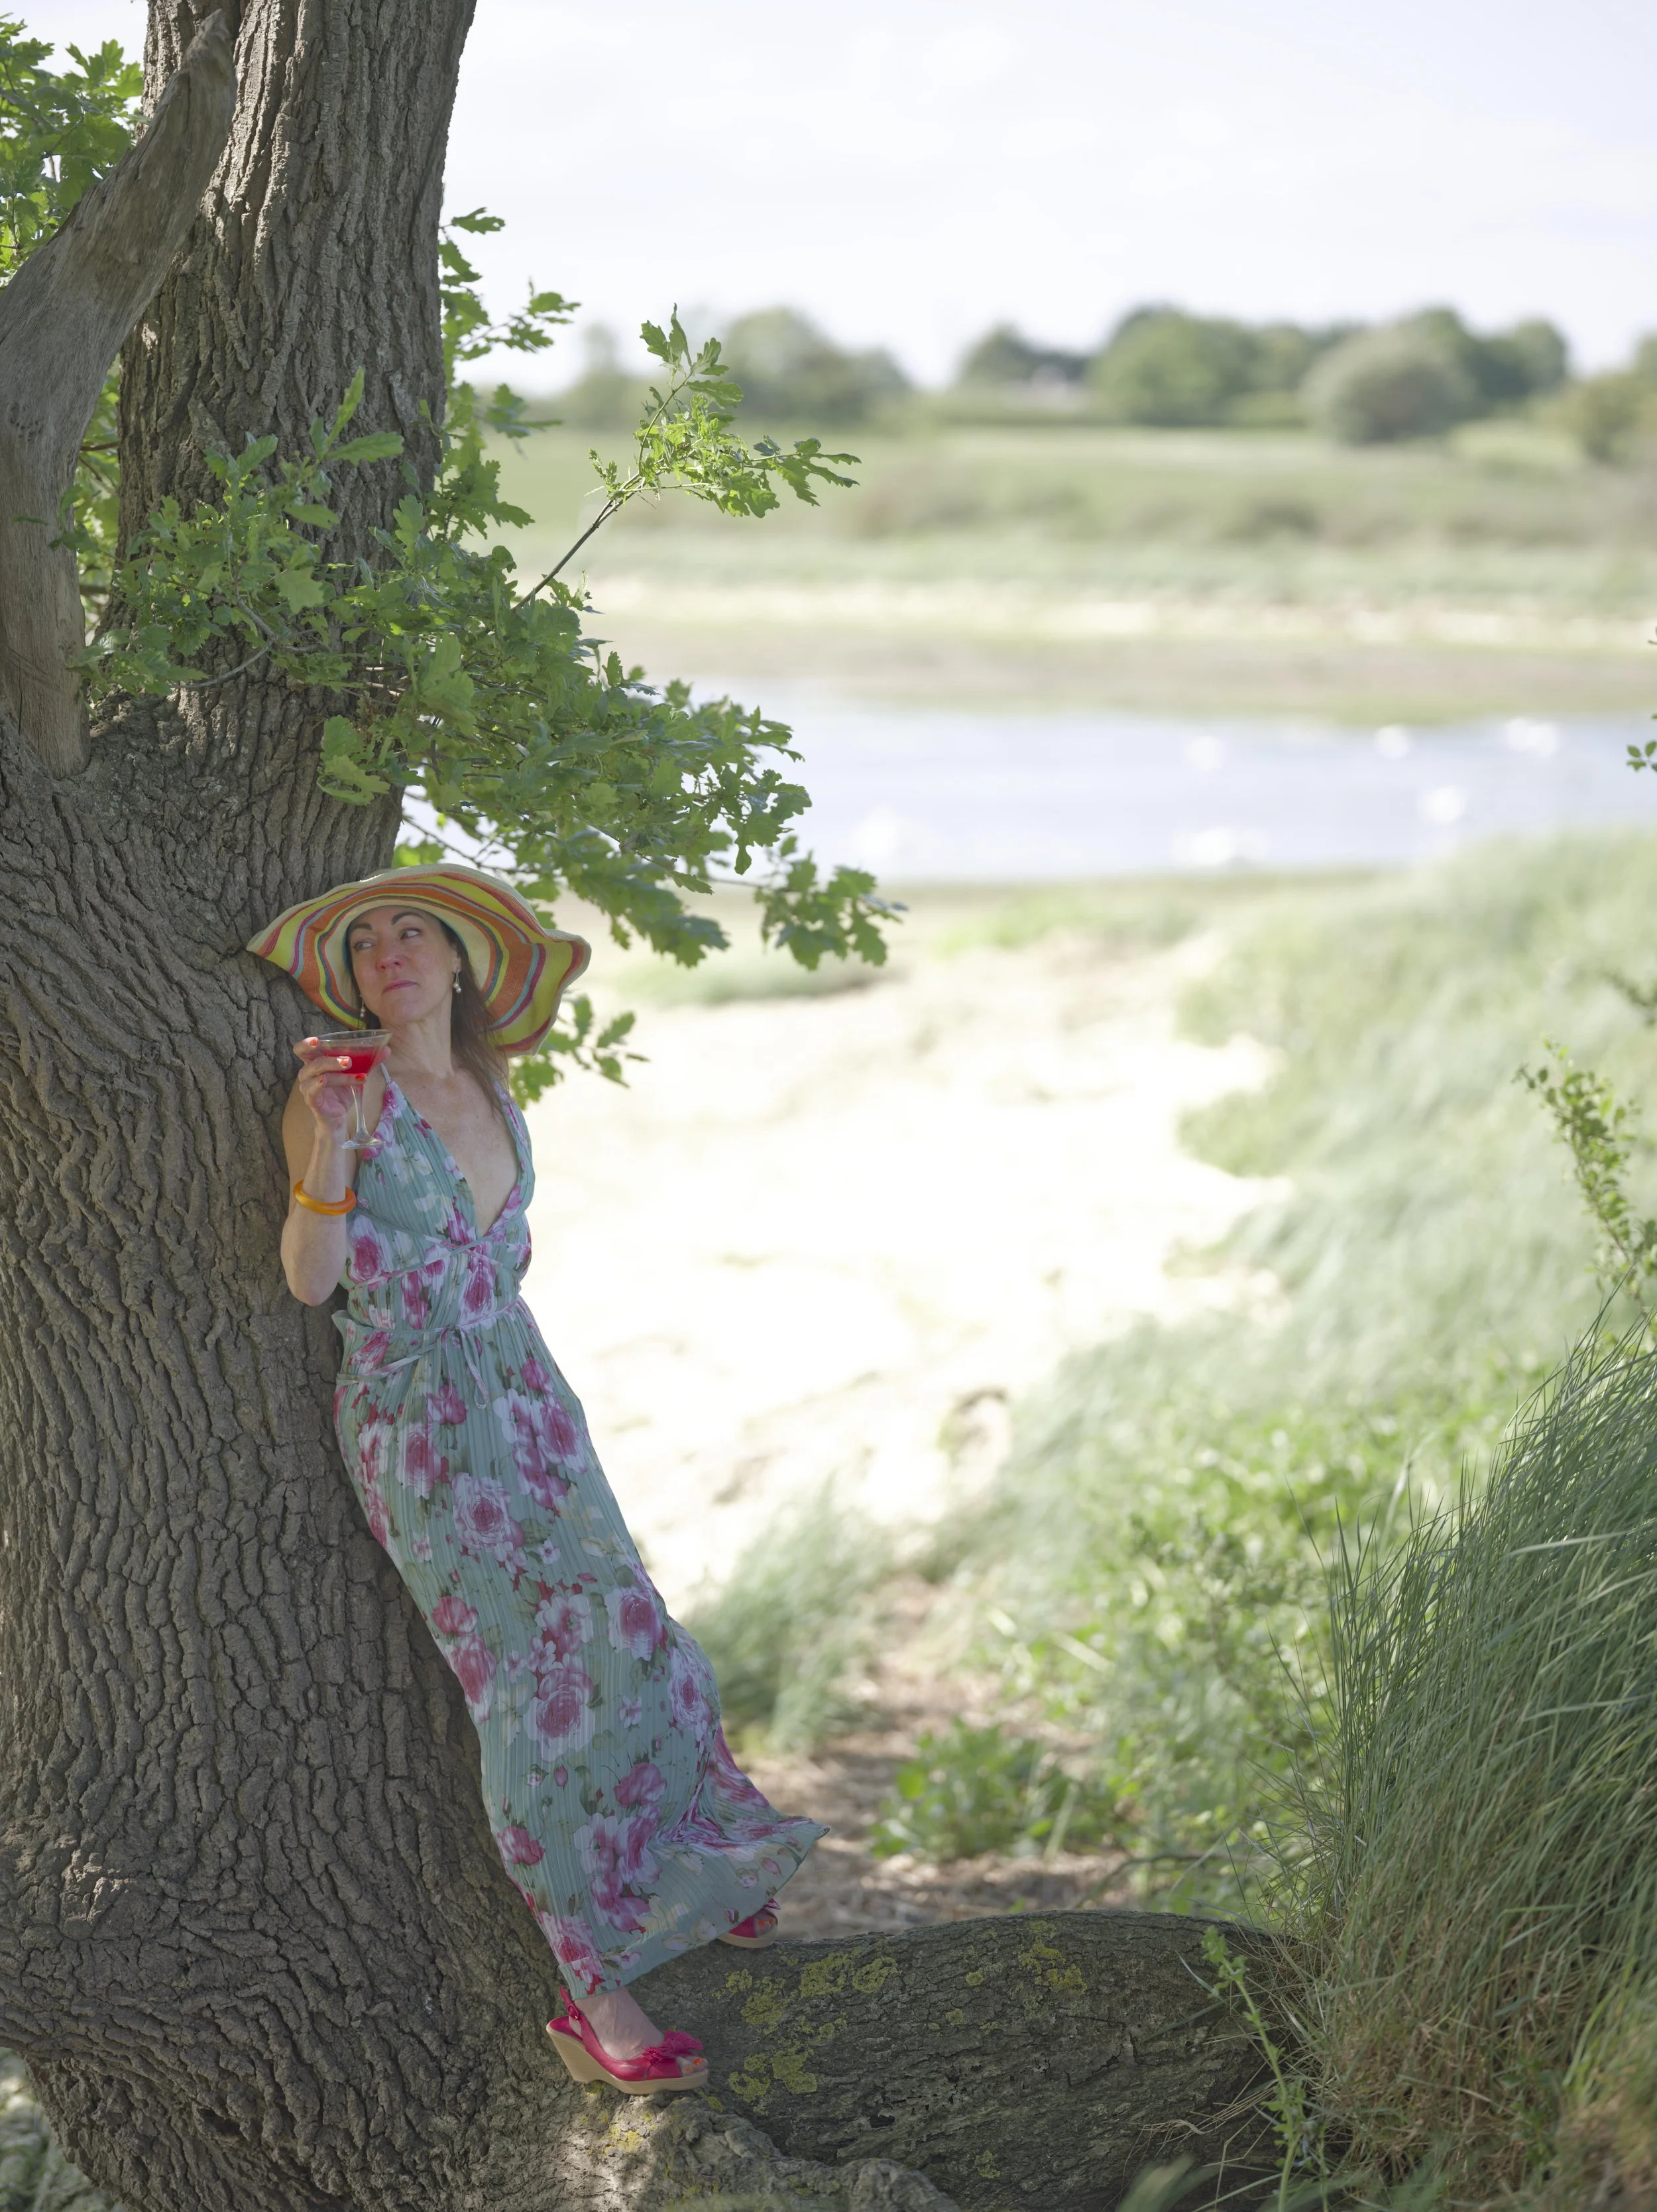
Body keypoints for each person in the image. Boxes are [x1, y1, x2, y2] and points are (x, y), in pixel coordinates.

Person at [249, 864, 825, 2095]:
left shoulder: (498, 1101)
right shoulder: (339, 1096)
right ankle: (589, 1985)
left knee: (631, 1628)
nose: (388, 953)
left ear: (460, 963)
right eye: (365, 944)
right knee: (525, 1686)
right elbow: (309, 1279)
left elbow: (496, 1266)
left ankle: (698, 1863)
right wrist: (330, 1156)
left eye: (415, 932)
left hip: (528, 1393)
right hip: (417, 1416)